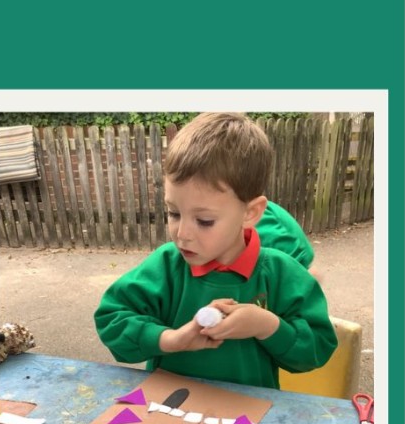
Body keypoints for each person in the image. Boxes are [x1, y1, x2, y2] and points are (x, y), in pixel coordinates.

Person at [94, 112, 336, 389]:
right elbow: (112, 318)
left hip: (249, 419)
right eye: (173, 213)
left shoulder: (280, 273)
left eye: (204, 221)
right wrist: (170, 340)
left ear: (250, 212)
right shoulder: (166, 266)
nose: (181, 233)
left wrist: (268, 326)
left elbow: (317, 348)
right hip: (168, 411)